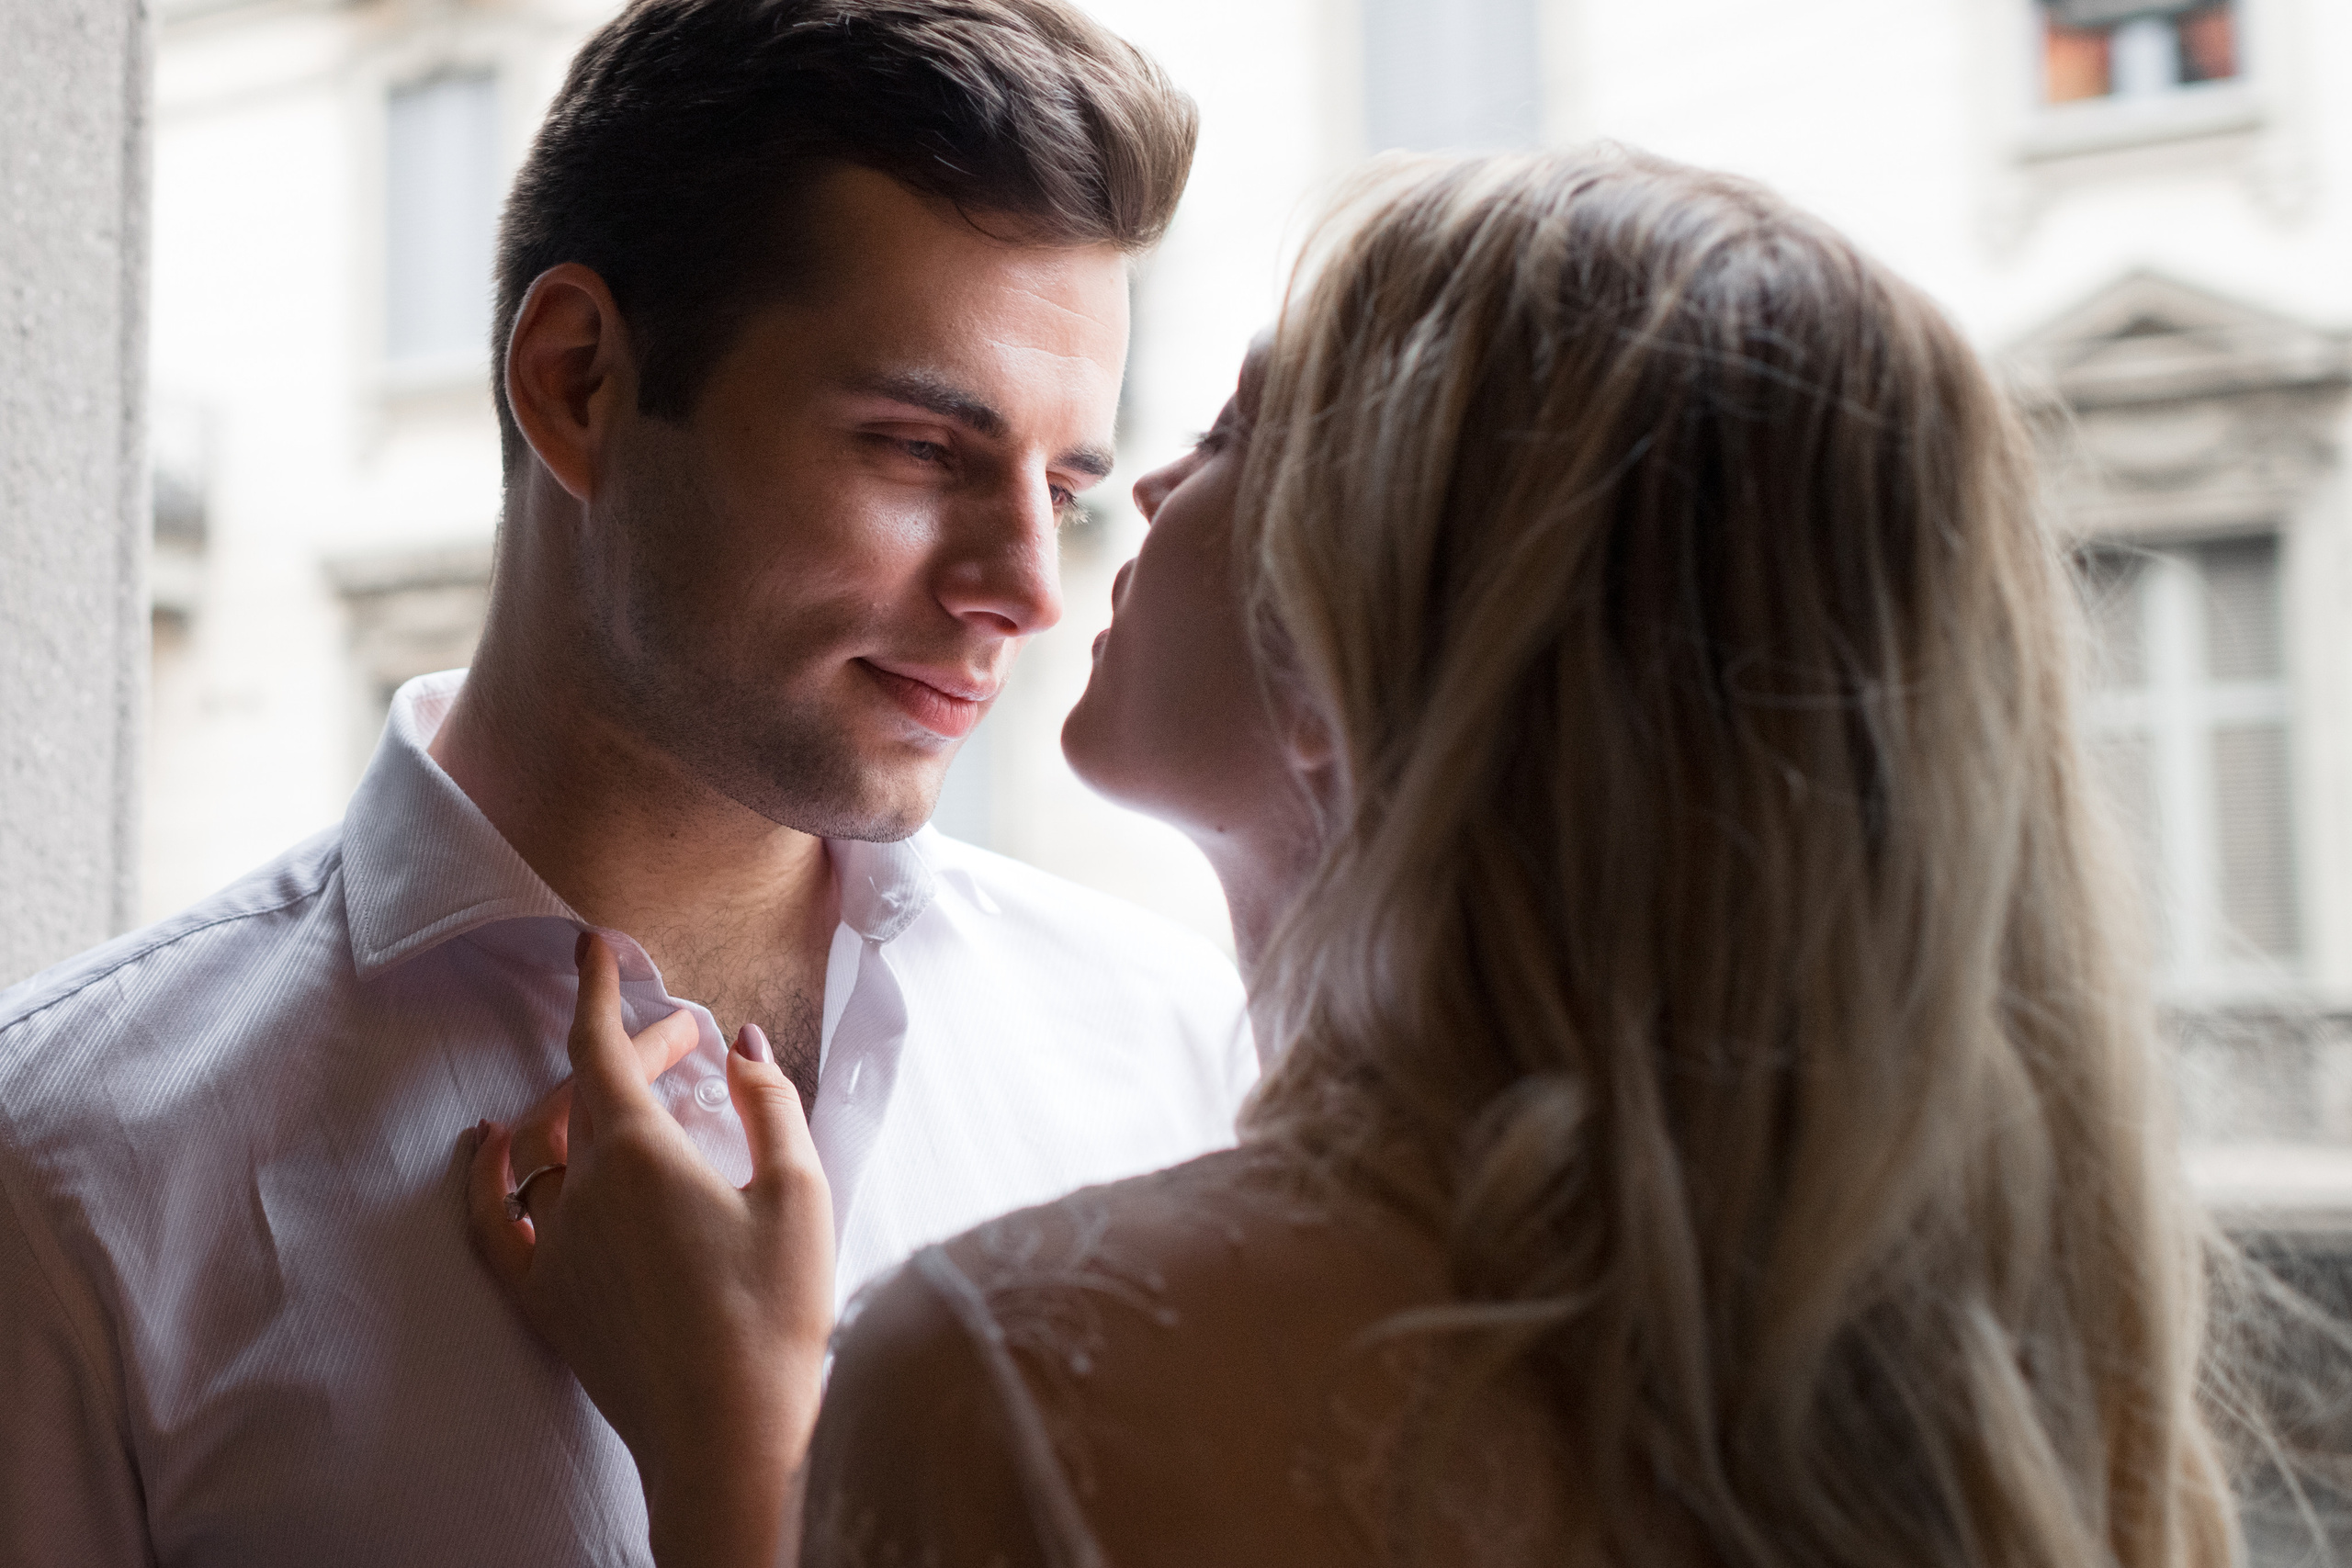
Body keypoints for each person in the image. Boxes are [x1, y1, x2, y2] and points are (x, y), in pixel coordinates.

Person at [471, 145, 2242, 1568]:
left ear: (1369, 642)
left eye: (1236, 436)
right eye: (922, 448)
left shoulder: (1018, 1376)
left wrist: (736, 1468)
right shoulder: (2003, 1403)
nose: (1104, 523)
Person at [0, 3, 1256, 1563]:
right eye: (921, 451)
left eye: (1061, 488)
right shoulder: (67, 1166)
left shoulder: (1176, 1059)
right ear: (579, 381)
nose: (1027, 589)